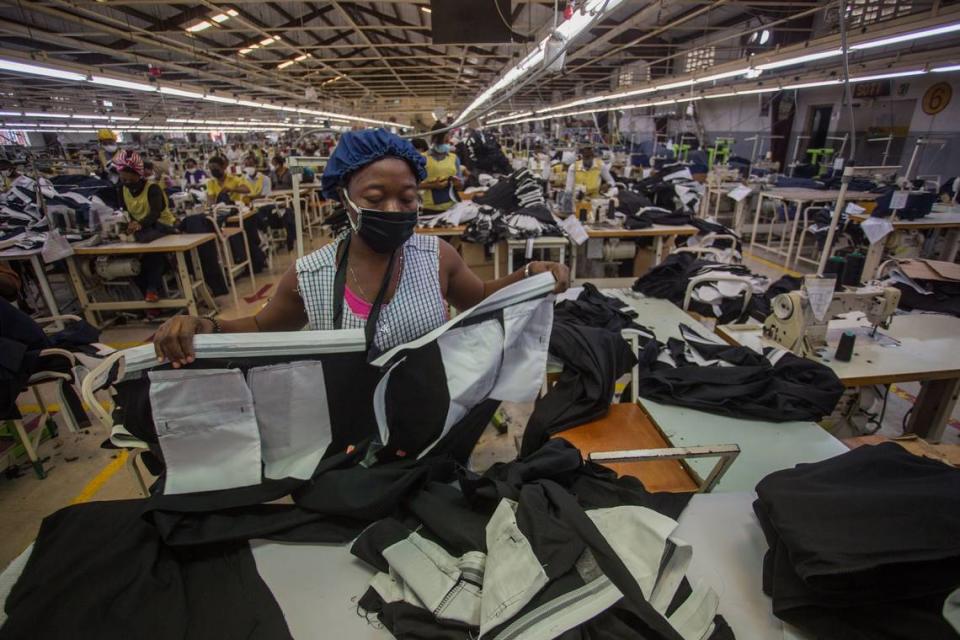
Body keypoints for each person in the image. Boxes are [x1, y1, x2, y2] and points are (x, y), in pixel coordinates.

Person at [153, 128, 569, 367]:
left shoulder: (436, 257)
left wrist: (529, 275)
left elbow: (477, 298)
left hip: (429, 426)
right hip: (349, 435)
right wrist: (205, 325)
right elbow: (263, 328)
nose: (393, 209)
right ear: (344, 200)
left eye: (407, 199)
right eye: (374, 198)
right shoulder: (311, 275)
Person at [114, 150, 177, 303]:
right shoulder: (123, 190)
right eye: (124, 180)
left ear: (138, 175)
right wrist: (128, 224)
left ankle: (152, 290)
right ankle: (146, 295)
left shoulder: (153, 189)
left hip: (164, 227)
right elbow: (125, 213)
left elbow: (155, 214)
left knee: (152, 253)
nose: (126, 184)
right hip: (143, 230)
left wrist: (138, 224)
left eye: (129, 180)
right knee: (133, 258)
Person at [419, 126, 462, 213]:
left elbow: (460, 186)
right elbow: (412, 185)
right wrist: (432, 185)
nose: (447, 144)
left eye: (448, 141)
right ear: (434, 140)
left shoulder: (454, 158)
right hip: (429, 208)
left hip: (452, 208)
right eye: (445, 141)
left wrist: (457, 183)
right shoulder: (422, 158)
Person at [563, 145, 616, 211]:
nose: (588, 159)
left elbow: (612, 181)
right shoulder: (573, 167)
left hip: (595, 202)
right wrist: (573, 198)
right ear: (582, 156)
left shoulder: (600, 165)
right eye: (586, 157)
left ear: (593, 156)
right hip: (577, 202)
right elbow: (568, 189)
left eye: (590, 157)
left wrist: (608, 185)